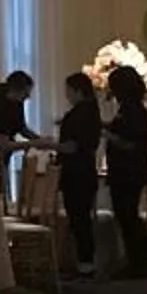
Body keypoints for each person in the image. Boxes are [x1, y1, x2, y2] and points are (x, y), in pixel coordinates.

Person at [102, 64, 147, 276]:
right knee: (126, 217)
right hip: (124, 171)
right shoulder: (127, 109)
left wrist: (107, 135)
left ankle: (142, 262)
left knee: (128, 216)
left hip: (129, 171)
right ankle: (138, 261)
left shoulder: (135, 111)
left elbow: (130, 143)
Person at [54, 72, 104, 271]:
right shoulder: (92, 111)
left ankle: (86, 263)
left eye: (68, 90)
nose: (66, 94)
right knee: (80, 218)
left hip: (77, 173)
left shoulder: (80, 114)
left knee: (79, 219)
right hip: (85, 171)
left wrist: (50, 145)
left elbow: (73, 146)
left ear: (77, 91)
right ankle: (84, 263)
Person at [0, 70, 43, 194]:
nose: (28, 96)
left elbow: (22, 128)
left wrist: (40, 139)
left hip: (1, 155)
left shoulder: (16, 102)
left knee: (0, 191)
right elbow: (4, 145)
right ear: (16, 90)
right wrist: (33, 143)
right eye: (26, 92)